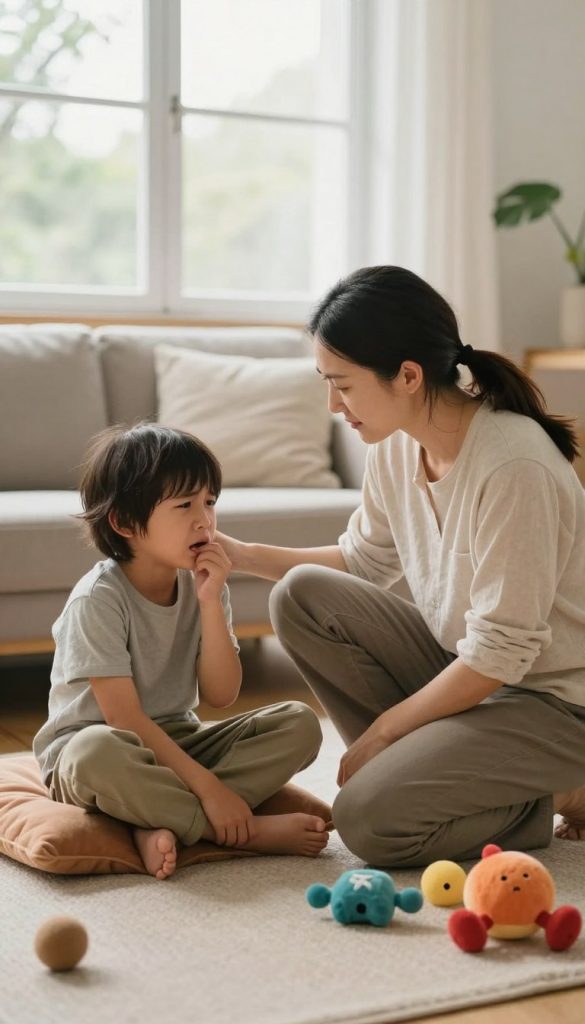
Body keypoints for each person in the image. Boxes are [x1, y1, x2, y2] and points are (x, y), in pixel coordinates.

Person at [216, 265, 585, 869]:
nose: (333, 405)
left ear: (408, 376)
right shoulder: (395, 447)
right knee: (302, 594)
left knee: (368, 820)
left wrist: (387, 730)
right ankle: (447, 777)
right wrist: (243, 557)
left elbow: (498, 654)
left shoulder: (515, 466)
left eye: (343, 385)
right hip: (476, 675)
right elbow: (362, 561)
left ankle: (548, 795)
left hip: (557, 703)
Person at [33, 423, 330, 880]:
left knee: (300, 723)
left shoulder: (204, 584)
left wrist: (211, 602)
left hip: (177, 739)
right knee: (95, 751)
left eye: (210, 502)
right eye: (185, 505)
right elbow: (124, 721)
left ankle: (153, 819)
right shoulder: (98, 600)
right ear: (125, 522)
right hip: (98, 751)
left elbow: (222, 694)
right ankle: (232, 830)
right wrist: (209, 789)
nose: (205, 520)